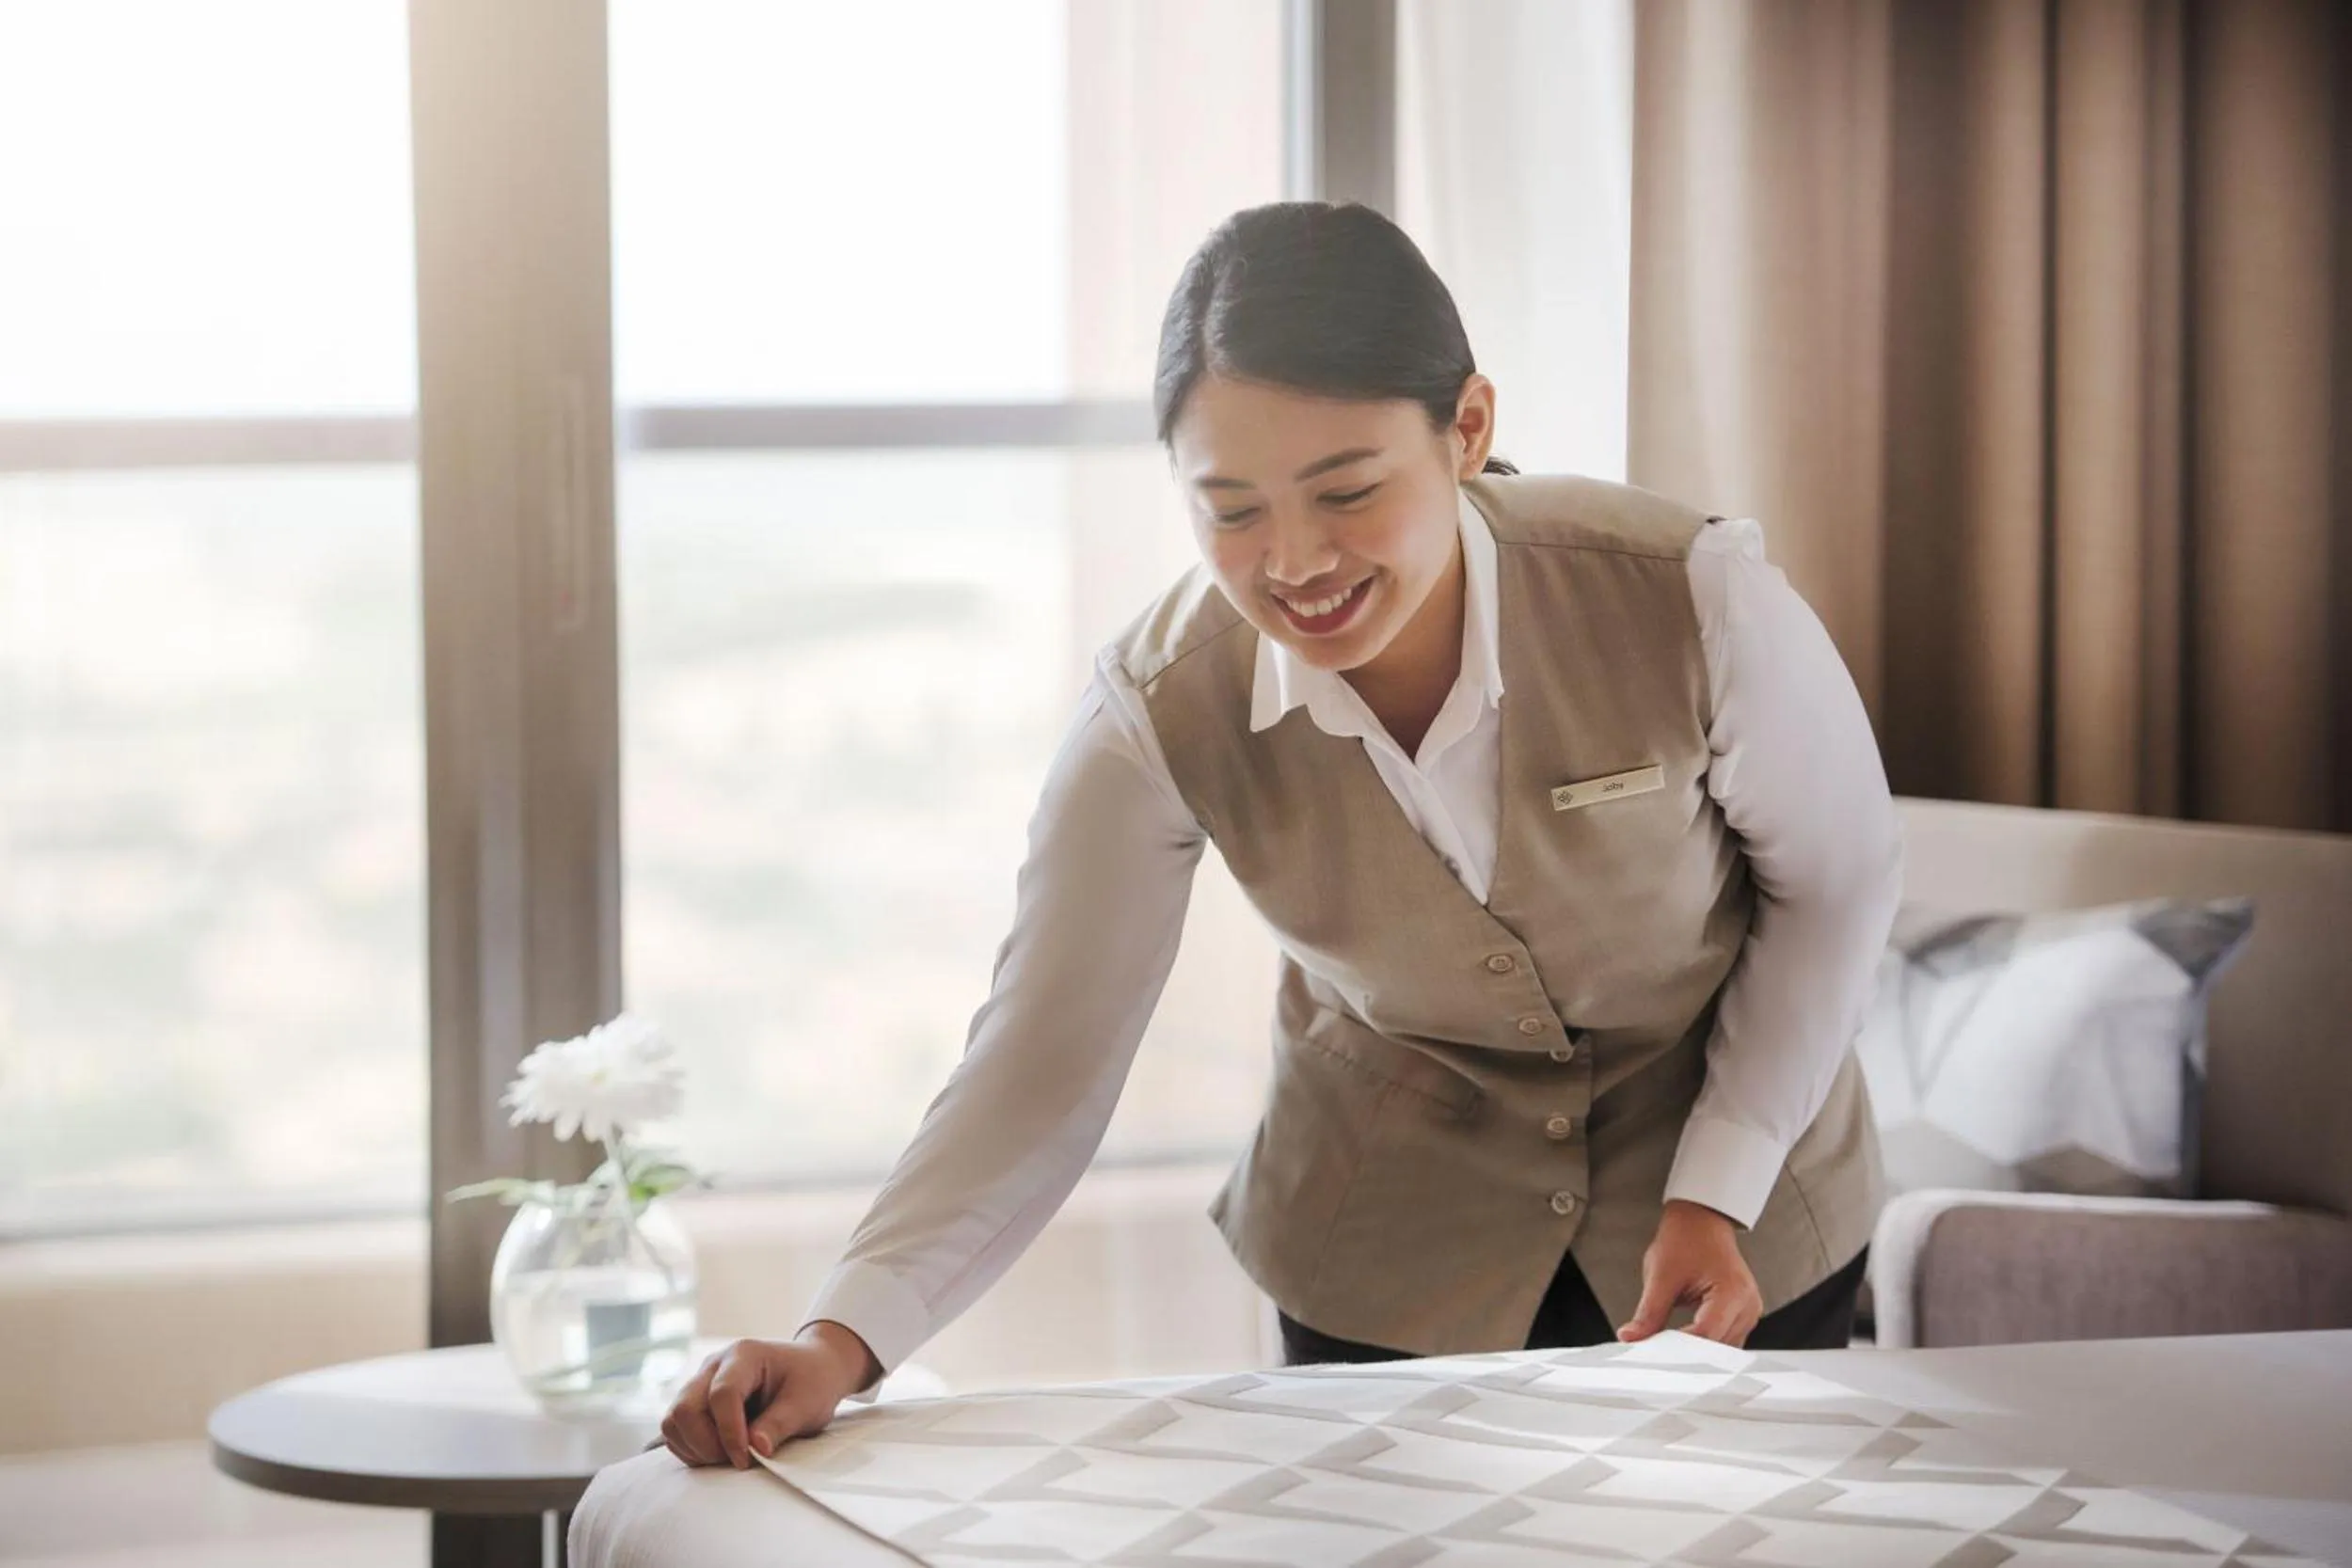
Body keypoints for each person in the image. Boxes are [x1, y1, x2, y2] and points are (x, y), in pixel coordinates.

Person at [660, 200, 1899, 1471]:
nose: (1294, 560)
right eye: (1231, 509)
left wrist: (1719, 1178)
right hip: (1386, 1252)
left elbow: (1839, 890)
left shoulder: (1686, 593)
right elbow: (1043, 1052)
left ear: (1468, 429)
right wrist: (839, 1336)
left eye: (1347, 491)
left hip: (1739, 1221)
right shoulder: (1156, 705)